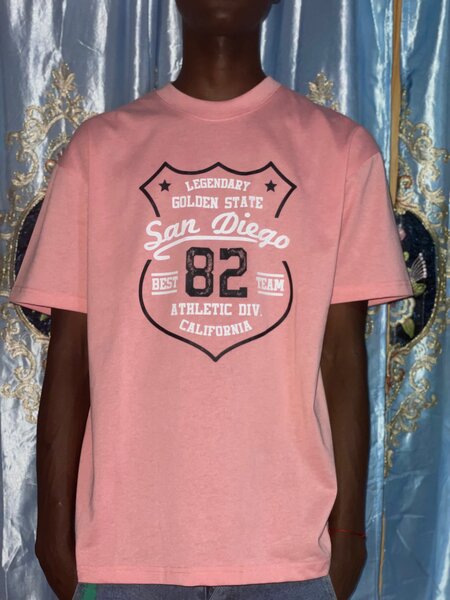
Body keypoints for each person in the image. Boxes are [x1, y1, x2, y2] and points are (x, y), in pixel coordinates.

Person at [8, 1, 414, 599]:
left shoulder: (343, 152)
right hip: (126, 555)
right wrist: (52, 531)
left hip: (288, 554)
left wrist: (349, 531)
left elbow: (343, 358)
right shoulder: (98, 151)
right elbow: (69, 357)